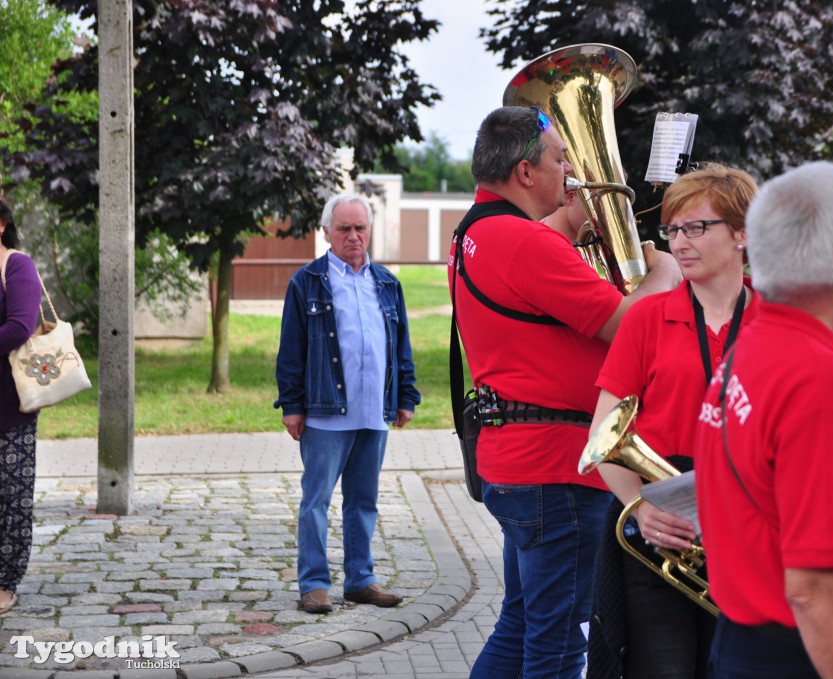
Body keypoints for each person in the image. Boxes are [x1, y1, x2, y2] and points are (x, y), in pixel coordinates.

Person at [450, 105, 681, 679]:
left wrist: (574, 227)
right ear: (526, 173)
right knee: (557, 647)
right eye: (560, 159)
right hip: (556, 468)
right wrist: (664, 276)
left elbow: (539, 289)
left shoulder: (474, 232)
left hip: (517, 462)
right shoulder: (526, 243)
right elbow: (630, 325)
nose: (572, 171)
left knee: (522, 623)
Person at [692, 162, 833, 679]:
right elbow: (815, 589)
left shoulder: (754, 348)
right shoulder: (822, 383)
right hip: (812, 655)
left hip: (757, 646)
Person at [587, 164, 759, 679]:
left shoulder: (778, 317)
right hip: (662, 527)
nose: (678, 242)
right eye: (672, 229)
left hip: (751, 528)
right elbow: (604, 434)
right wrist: (639, 507)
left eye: (695, 228)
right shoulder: (644, 317)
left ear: (742, 233)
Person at [275, 192, 421, 614]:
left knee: (364, 501)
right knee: (315, 500)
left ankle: (360, 579)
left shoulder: (388, 283)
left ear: (369, 230)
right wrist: (292, 405)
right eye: (344, 229)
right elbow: (291, 351)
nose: (353, 236)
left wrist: (405, 396)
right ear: (326, 233)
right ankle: (314, 584)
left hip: (375, 412)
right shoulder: (307, 282)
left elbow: (401, 347)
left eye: (360, 228)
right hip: (324, 413)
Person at [0, 195, 42, 616]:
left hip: (9, 406)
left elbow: (19, 326)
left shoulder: (16, 266)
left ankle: (5, 583)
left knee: (11, 499)